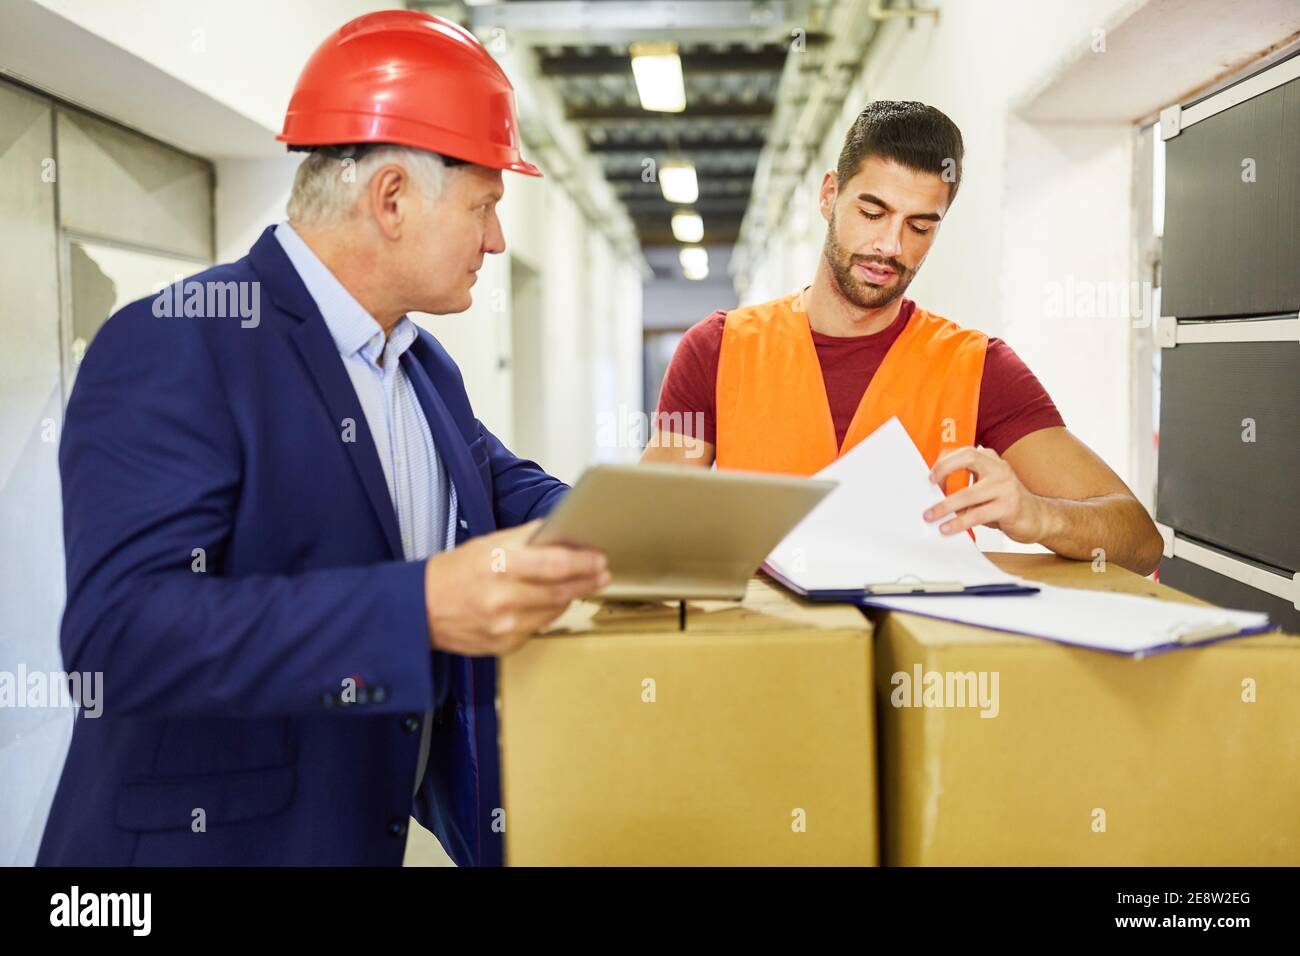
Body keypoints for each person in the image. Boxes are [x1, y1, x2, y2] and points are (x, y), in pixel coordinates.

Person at [37, 10, 606, 867]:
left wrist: (640, 516)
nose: (494, 239)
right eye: (486, 206)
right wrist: (418, 606)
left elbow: (498, 486)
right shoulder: (179, 341)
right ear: (392, 199)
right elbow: (120, 637)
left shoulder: (419, 365)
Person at [644, 101, 1162, 576]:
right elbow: (647, 530)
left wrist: (1039, 517)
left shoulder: (978, 366)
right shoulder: (719, 349)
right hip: (767, 654)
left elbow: (1139, 542)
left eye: (920, 226)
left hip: (922, 662)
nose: (890, 246)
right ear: (829, 195)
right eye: (873, 212)